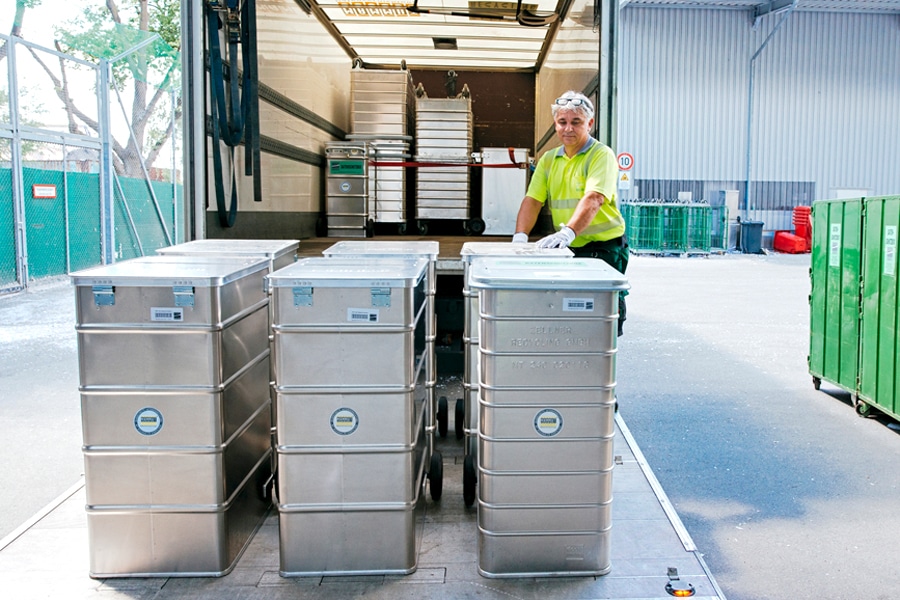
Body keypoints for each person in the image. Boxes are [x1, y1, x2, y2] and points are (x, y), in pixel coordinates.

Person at [511, 90, 629, 336]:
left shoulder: (601, 155)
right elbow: (533, 200)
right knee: (571, 312)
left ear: (590, 123)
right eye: (562, 122)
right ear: (555, 124)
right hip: (569, 249)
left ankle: (602, 367)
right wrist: (520, 237)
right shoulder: (548, 160)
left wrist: (567, 233)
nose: (568, 129)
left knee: (602, 315)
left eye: (576, 122)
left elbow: (594, 198)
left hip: (604, 250)